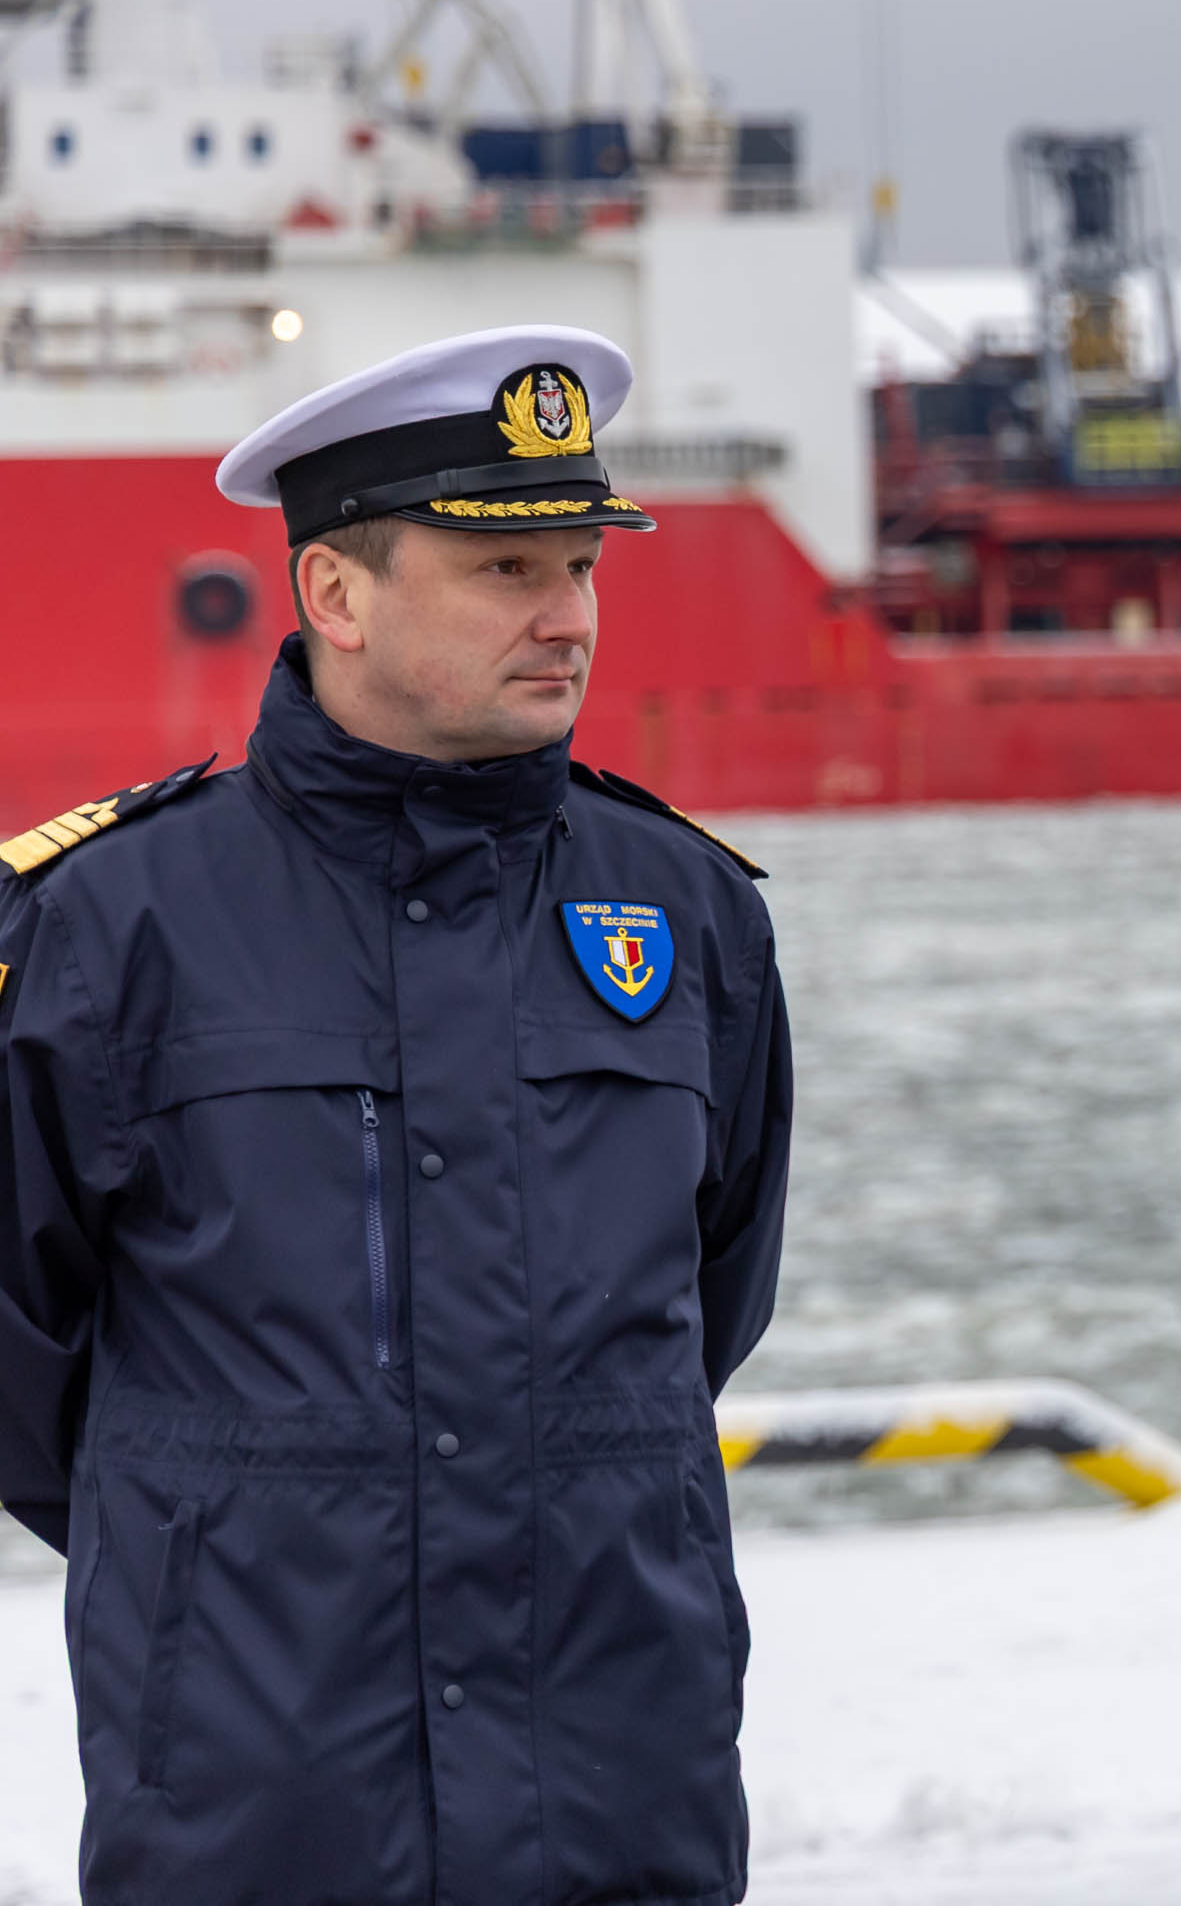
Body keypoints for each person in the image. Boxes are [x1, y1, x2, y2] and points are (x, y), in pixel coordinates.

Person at [0, 325, 794, 1904]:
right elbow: (22, 1367)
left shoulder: (691, 911)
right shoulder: (109, 924)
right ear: (336, 593)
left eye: (582, 568)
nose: (568, 617)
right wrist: (220, 1532)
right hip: (260, 1818)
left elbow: (715, 1297)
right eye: (506, 571)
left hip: (619, 1807)